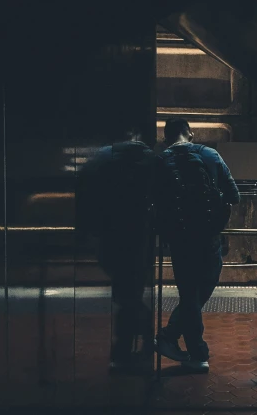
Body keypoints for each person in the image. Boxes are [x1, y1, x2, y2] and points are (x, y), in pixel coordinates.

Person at [154, 118, 240, 372]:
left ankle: (181, 343)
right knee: (200, 291)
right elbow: (234, 195)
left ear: (166, 138)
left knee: (189, 294)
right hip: (209, 236)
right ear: (189, 133)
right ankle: (191, 349)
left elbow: (155, 203)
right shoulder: (210, 155)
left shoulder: (159, 162)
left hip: (180, 240)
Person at [76, 126, 159, 372]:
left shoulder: (101, 158)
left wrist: (86, 230)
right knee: (130, 292)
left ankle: (126, 347)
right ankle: (140, 341)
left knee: (125, 292)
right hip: (140, 234)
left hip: (109, 234)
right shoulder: (152, 160)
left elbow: (84, 195)